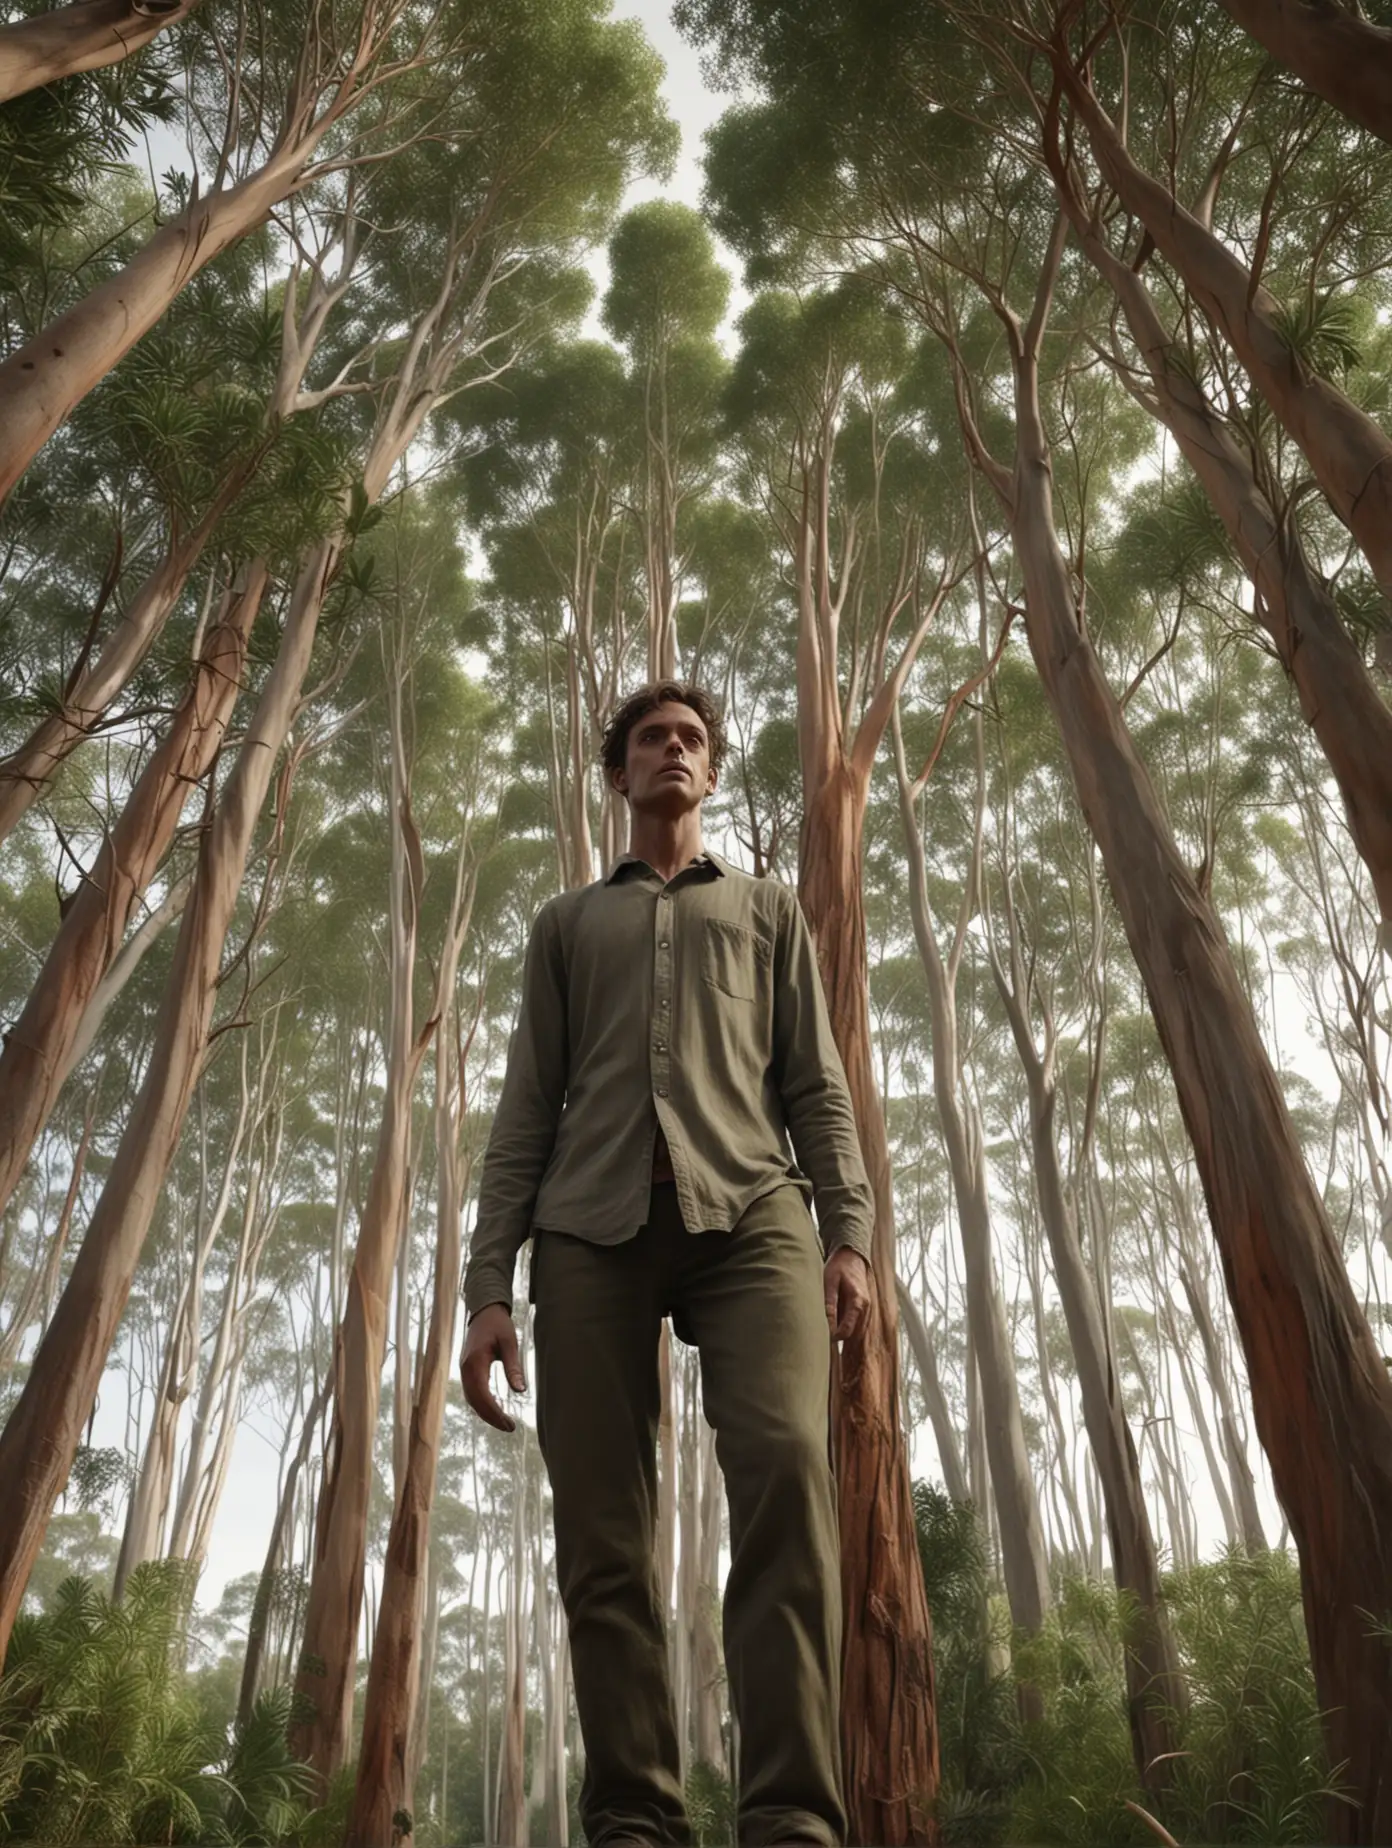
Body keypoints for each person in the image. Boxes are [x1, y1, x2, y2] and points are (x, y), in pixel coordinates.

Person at [459, 680, 875, 1848]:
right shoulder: (565, 926)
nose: (673, 752)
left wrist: (849, 1234)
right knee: (601, 1528)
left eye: (692, 739)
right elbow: (523, 1115)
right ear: (620, 774)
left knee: (789, 1473)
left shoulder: (766, 910)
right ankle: (636, 1818)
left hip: (752, 1223)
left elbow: (816, 1088)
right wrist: (489, 1289)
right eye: (652, 740)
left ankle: (792, 1815)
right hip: (589, 1235)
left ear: (712, 769)